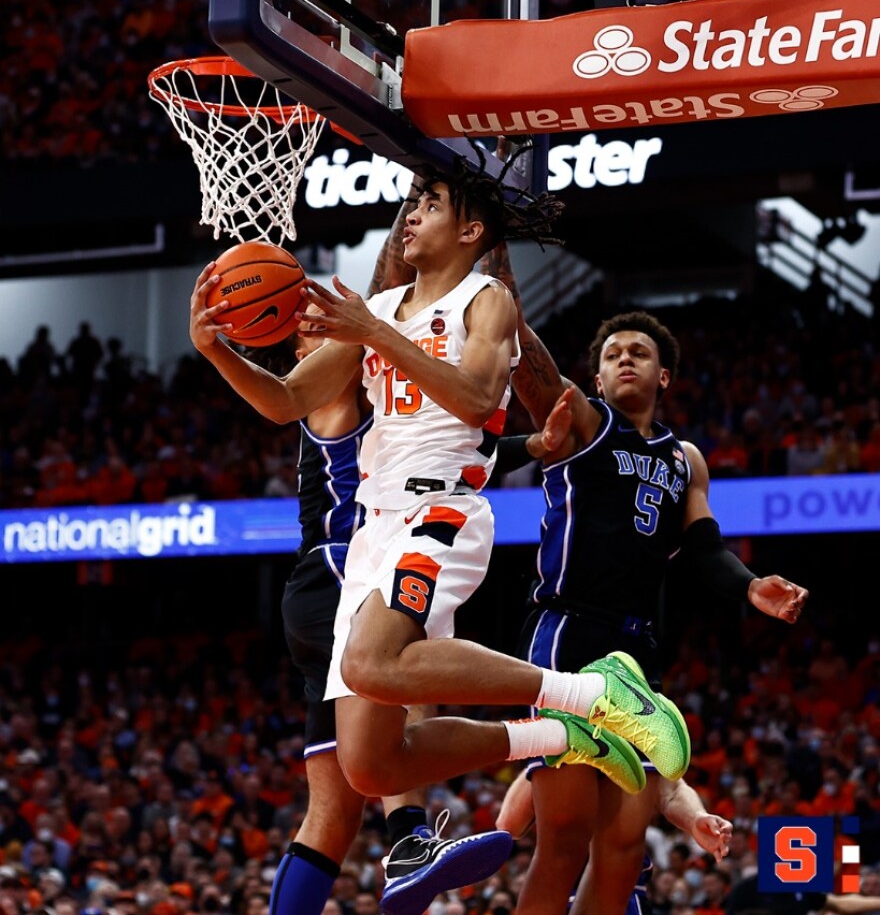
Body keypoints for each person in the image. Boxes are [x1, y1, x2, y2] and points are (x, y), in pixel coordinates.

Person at [189, 173, 692, 838]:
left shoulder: (486, 302)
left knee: (370, 663)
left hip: (441, 508)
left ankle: (596, 694)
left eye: (432, 205)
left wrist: (374, 332)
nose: (413, 215)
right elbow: (285, 401)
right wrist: (214, 350)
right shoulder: (379, 308)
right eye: (414, 202)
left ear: (470, 231)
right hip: (376, 526)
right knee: (371, 766)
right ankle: (559, 736)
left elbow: (481, 400)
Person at [477, 229, 809, 915]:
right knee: (564, 838)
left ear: (663, 377)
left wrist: (751, 586)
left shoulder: (685, 457)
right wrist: (495, 263)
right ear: (595, 378)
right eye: (612, 353)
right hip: (567, 634)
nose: (625, 358)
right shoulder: (581, 424)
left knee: (625, 847)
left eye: (640, 352)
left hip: (637, 652)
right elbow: (524, 356)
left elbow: (704, 546)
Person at [258, 204, 514, 915]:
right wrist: (424, 189)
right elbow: (397, 310)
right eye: (307, 321)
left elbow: (433, 395)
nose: (319, 319)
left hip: (317, 581)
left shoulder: (374, 379)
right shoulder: (342, 381)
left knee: (334, 814)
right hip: (347, 564)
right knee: (395, 660)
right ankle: (410, 836)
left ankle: (404, 840)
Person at [495, 766, 733, 914]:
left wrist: (695, 817)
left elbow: (670, 789)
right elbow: (509, 825)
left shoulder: (644, 711)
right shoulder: (562, 715)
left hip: (620, 895)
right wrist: (537, 760)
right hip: (557, 893)